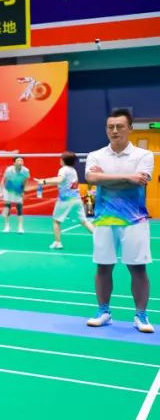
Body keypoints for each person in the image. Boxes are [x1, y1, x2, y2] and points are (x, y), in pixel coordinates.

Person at [84, 108, 152, 333]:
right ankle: (104, 312)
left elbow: (140, 181)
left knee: (138, 268)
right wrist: (127, 177)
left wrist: (104, 178)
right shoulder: (96, 155)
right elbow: (91, 178)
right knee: (103, 267)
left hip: (135, 220)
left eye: (120, 126)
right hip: (104, 219)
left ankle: (141, 316)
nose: (114, 131)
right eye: (110, 127)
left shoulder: (143, 155)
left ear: (130, 128)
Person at [36, 150, 95, 250]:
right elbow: (63, 182)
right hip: (76, 199)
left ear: (63, 160)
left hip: (65, 200)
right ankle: (100, 239)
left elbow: (59, 180)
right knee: (84, 221)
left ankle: (58, 242)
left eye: (61, 158)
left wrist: (44, 181)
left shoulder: (63, 170)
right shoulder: (73, 170)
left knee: (56, 221)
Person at [1, 156, 30, 233]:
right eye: (18, 160)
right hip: (8, 189)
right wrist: (3, 191)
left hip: (18, 189)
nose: (20, 162)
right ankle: (7, 226)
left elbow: (25, 181)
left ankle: (20, 228)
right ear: (14, 163)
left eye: (22, 161)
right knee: (7, 207)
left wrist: (23, 191)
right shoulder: (9, 170)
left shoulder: (26, 171)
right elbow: (4, 180)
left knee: (19, 208)